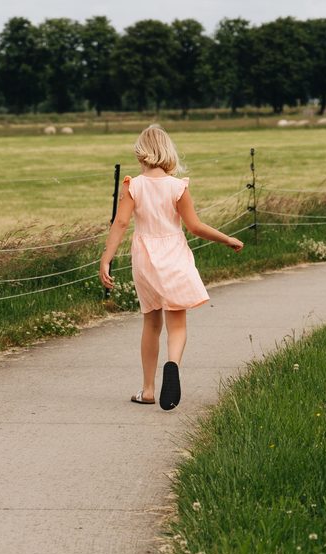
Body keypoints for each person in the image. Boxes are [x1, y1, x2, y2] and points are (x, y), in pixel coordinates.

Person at [99, 124, 243, 410]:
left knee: (151, 323)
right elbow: (195, 226)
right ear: (166, 152)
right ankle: (172, 365)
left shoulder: (133, 185)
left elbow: (122, 223)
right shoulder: (178, 187)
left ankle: (148, 389)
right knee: (176, 323)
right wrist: (226, 239)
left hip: (144, 258)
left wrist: (106, 258)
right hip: (174, 256)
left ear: (141, 154)